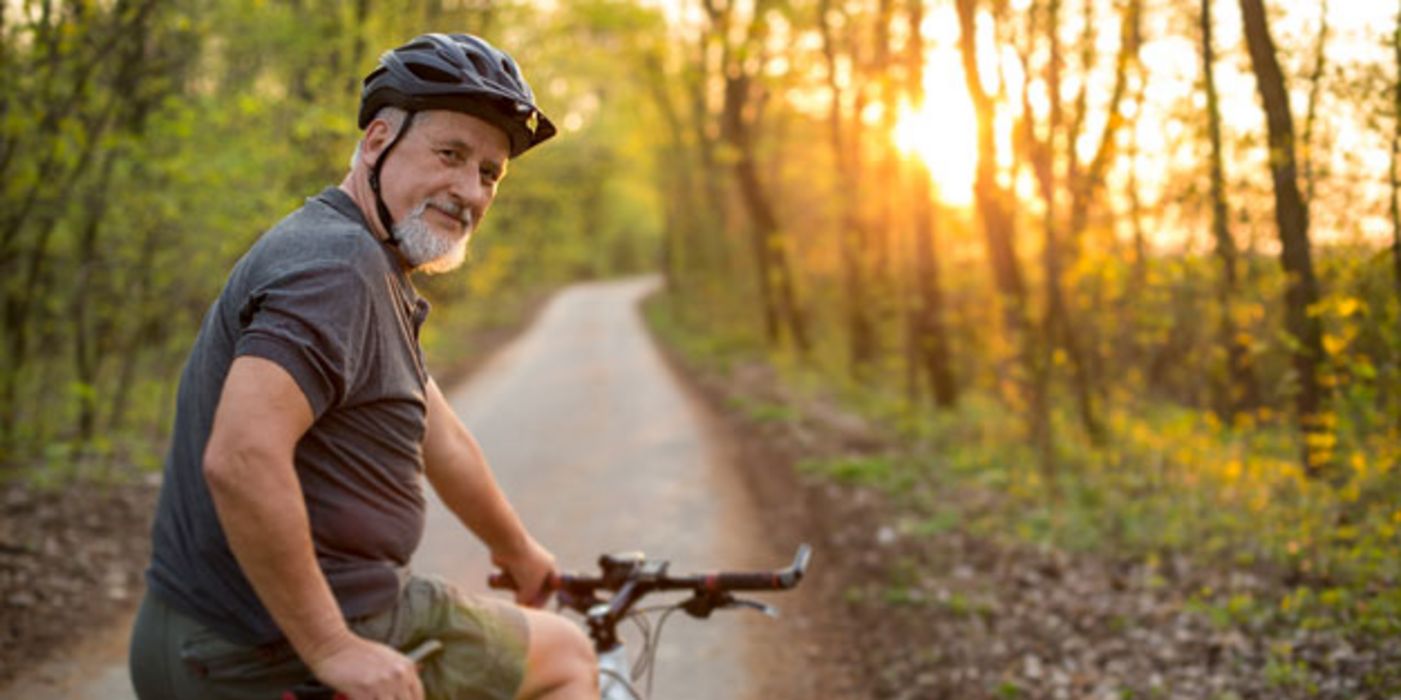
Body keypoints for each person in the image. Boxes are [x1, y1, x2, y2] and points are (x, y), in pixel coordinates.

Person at [129, 33, 597, 700]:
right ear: (377, 141)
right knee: (568, 656)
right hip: (256, 652)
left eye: (489, 173)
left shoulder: (362, 264)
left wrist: (516, 549)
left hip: (212, 637)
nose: (468, 190)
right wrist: (332, 647)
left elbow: (442, 435)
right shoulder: (338, 269)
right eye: (450, 154)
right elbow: (240, 458)